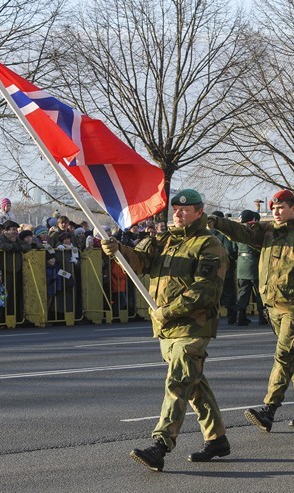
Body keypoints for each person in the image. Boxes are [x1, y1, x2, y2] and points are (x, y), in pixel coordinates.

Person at [101, 189, 230, 472]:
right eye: (175, 209)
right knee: (193, 383)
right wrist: (118, 251)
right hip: (166, 327)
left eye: (185, 210)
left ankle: (160, 445)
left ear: (199, 212)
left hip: (193, 326)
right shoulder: (165, 239)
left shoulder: (209, 246)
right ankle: (217, 438)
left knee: (178, 381)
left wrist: (168, 311)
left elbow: (205, 291)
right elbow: (141, 262)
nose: (178, 213)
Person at [209, 189, 294, 432]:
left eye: (282, 208)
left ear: (293, 209)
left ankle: (269, 409)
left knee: (284, 355)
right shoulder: (268, 232)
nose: (276, 212)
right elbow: (241, 232)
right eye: (274, 208)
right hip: (273, 307)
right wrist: (217, 223)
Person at [234, 210, 265, 326]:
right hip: (255, 263)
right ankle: (263, 317)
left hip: (241, 264)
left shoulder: (237, 231)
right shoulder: (255, 230)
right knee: (259, 292)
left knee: (243, 292)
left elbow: (233, 249)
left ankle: (240, 317)